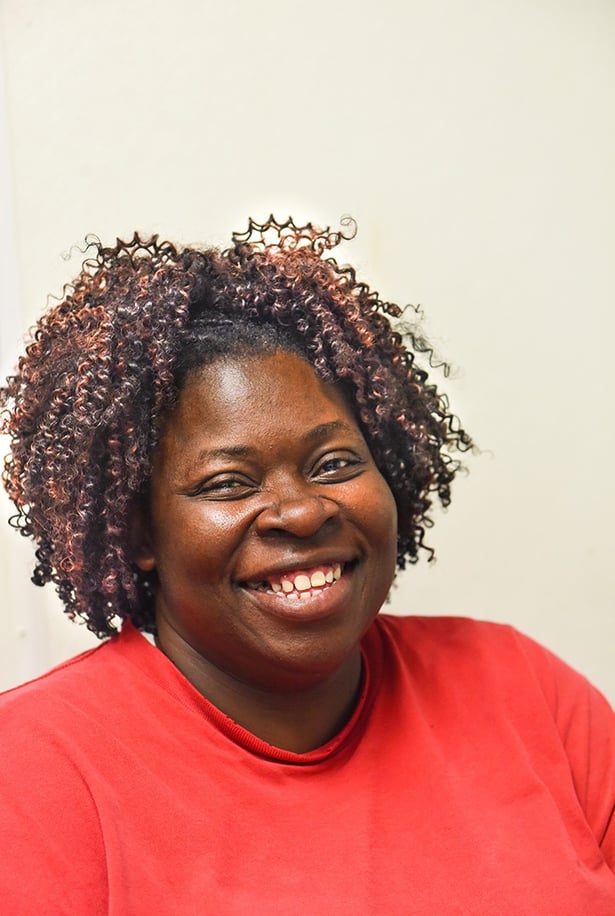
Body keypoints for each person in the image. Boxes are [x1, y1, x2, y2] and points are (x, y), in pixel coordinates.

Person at [0, 216, 614, 915]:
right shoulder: (33, 770)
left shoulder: (522, 690)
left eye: (334, 464)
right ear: (140, 530)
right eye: (228, 482)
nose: (300, 512)